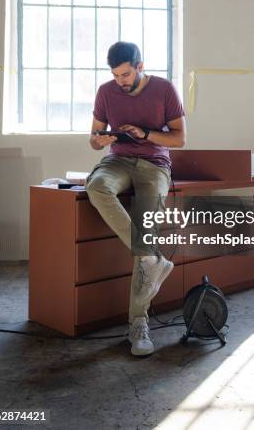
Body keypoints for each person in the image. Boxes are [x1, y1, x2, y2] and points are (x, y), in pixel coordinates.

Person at [85, 41, 186, 356]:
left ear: (140, 67)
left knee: (146, 229)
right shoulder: (105, 92)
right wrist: (99, 140)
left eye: (125, 74)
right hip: (117, 161)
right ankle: (151, 258)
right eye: (115, 75)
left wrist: (145, 134)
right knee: (96, 186)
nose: (120, 81)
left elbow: (180, 138)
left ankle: (138, 324)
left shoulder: (164, 89)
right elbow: (92, 140)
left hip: (155, 165)